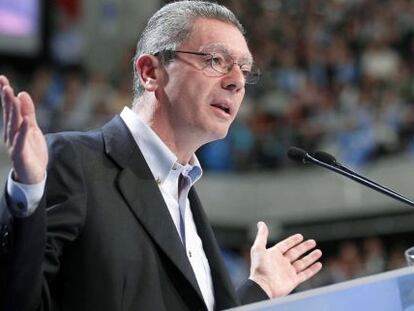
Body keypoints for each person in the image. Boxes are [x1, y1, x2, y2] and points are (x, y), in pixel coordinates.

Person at [0, 1, 322, 310]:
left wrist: (259, 289)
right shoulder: (74, 162)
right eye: (215, 60)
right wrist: (27, 194)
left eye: (244, 69)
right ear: (150, 72)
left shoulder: (186, 197)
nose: (237, 81)